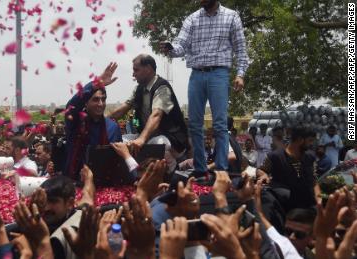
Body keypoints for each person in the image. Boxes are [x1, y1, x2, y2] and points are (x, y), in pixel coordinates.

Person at [159, 0, 248, 178]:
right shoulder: (191, 19)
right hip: (197, 74)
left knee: (220, 124)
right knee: (194, 124)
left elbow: (241, 49)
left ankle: (221, 169)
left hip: (219, 73)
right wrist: (170, 48)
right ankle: (200, 168)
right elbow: (180, 46)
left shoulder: (231, 16)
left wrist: (240, 74)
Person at [109, 54, 189, 172]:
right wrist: (104, 121)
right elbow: (124, 108)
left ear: (148, 69)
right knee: (118, 142)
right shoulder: (138, 89)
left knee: (157, 143)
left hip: (172, 140)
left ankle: (173, 171)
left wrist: (141, 140)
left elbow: (156, 115)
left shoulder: (162, 88)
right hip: (146, 137)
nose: (133, 74)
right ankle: (134, 173)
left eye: (136, 70)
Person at [64, 63, 122, 178]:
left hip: (104, 184)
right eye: (95, 100)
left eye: (103, 99)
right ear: (86, 102)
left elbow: (118, 159)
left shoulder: (113, 127)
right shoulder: (76, 122)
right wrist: (96, 84)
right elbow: (71, 106)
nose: (100, 104)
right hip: (74, 183)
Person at [257, 126, 321, 212]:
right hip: (284, 209)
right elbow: (261, 170)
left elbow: (314, 180)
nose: (312, 144)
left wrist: (319, 200)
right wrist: (264, 174)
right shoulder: (275, 157)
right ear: (300, 140)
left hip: (308, 207)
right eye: (310, 141)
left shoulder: (310, 157)